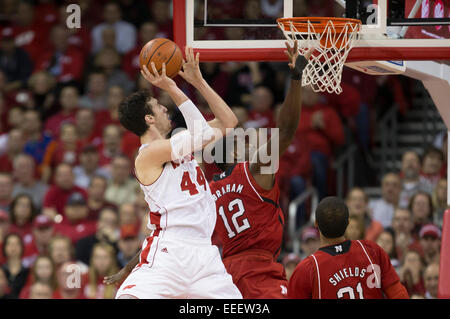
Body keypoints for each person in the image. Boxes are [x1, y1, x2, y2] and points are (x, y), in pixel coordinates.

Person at [104, 46, 241, 299]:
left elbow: (229, 121)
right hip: (169, 251)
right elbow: (201, 135)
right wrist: (173, 87)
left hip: (205, 254)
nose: (166, 108)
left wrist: (198, 81)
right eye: (158, 106)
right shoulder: (147, 155)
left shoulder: (179, 141)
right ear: (149, 119)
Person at [288, 197, 409, 299]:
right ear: (348, 222)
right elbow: (398, 293)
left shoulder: (307, 268)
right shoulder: (371, 250)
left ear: (316, 224)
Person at [1, 233, 29, 297]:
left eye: (17, 244)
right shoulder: (1, 271)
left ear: (22, 247)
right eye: (9, 244)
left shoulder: (28, 271)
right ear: (4, 247)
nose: (13, 247)